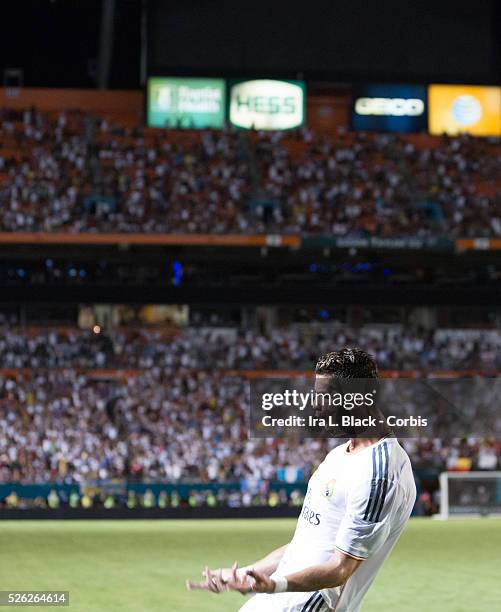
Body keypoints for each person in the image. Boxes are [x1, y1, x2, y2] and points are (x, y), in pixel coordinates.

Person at [187, 348, 416, 611]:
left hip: (308, 603)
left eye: (325, 396)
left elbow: (340, 568)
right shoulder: (340, 454)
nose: (316, 407)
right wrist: (246, 573)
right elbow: (305, 545)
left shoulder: (379, 475)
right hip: (282, 597)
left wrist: (275, 585)